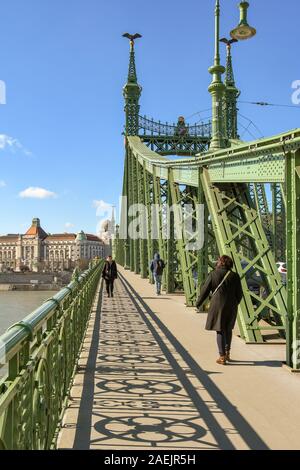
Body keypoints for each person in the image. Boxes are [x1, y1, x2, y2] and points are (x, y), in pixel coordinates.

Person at [196, 255, 243, 365]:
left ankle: (222, 356)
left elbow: (205, 290)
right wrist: (235, 303)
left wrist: (199, 302)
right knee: (228, 329)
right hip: (231, 306)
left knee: (220, 329)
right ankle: (227, 353)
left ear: (220, 263)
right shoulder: (235, 276)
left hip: (217, 305)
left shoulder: (214, 274)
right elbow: (239, 294)